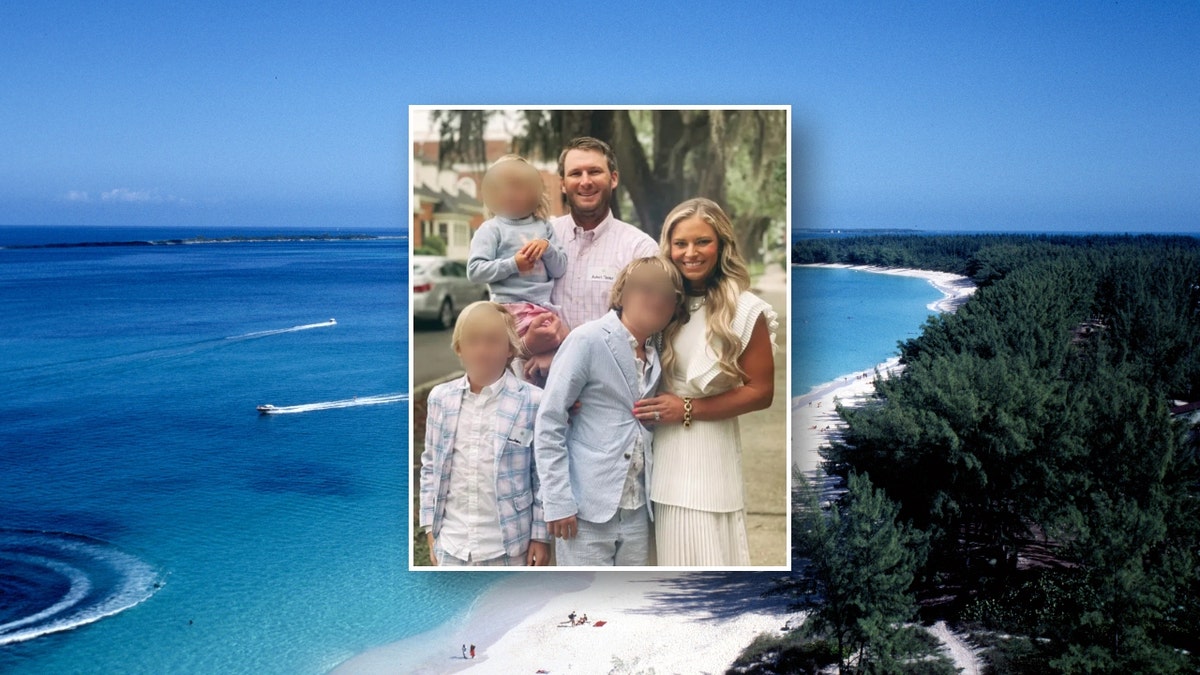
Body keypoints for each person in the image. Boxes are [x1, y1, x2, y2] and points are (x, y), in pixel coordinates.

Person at [634, 198, 778, 566]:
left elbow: (761, 392)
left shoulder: (746, 310)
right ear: (668, 247)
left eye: (702, 242)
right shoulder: (660, 305)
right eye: (680, 243)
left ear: (722, 245)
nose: (690, 253)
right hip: (655, 453)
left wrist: (687, 408)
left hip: (709, 452)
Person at [535, 257, 687, 566]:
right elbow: (550, 420)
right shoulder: (587, 340)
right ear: (621, 294)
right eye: (646, 288)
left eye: (668, 294)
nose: (657, 298)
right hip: (584, 507)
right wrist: (558, 500)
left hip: (636, 511)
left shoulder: (656, 351)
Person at [419, 301, 552, 566]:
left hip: (510, 546)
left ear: (510, 350)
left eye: (493, 341)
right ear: (459, 348)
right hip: (453, 543)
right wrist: (429, 528)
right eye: (472, 342)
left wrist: (540, 536)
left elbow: (543, 474)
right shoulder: (440, 399)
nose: (482, 350)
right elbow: (431, 466)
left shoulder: (533, 402)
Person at [522, 137, 659, 382]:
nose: (585, 181)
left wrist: (564, 352)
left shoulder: (640, 249)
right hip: (539, 392)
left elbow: (646, 331)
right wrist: (527, 345)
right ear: (563, 184)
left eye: (594, 171)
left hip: (609, 395)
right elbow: (507, 307)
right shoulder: (538, 238)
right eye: (576, 173)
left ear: (613, 178)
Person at [467, 154, 569, 384]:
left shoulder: (544, 228)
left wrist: (548, 248)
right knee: (528, 365)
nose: (512, 194)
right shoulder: (491, 229)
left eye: (520, 187)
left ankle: (557, 400)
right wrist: (514, 264)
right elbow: (475, 270)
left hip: (542, 307)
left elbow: (560, 269)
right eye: (504, 188)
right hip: (509, 308)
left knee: (566, 345)